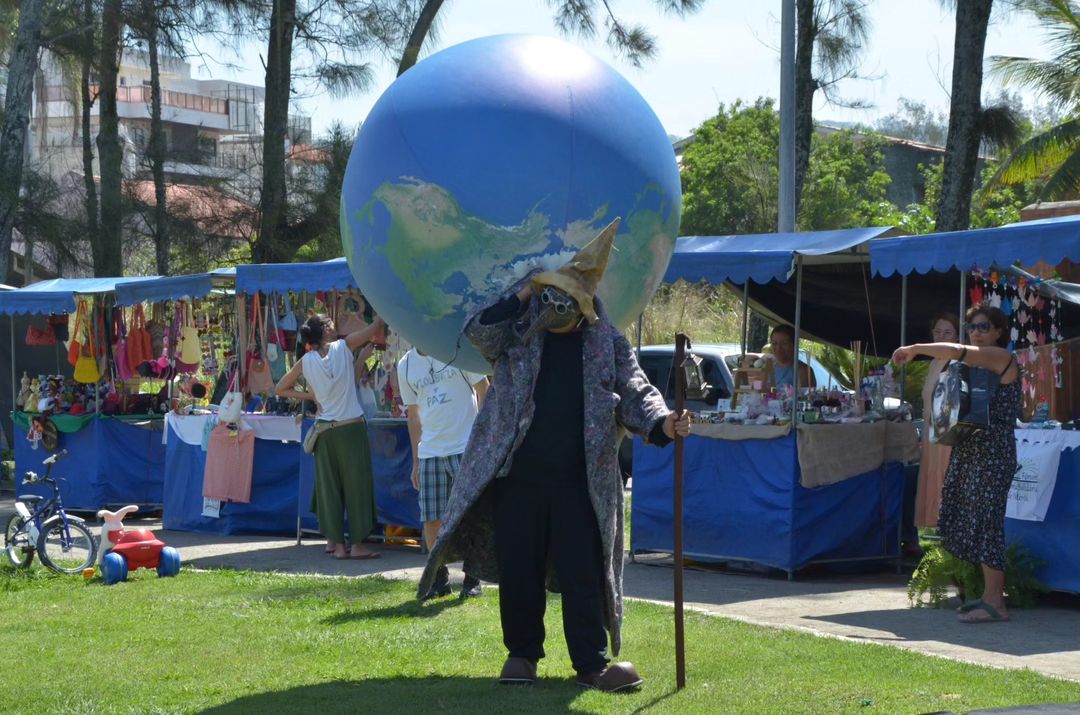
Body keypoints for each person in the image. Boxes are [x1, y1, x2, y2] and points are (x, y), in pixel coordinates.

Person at [416, 218, 690, 691]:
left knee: (584, 570)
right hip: (516, 476)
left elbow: (635, 389)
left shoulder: (606, 340)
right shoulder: (520, 332)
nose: (557, 305)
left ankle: (591, 663)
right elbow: (480, 332)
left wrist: (663, 422)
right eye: (551, 294)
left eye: (566, 297)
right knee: (519, 566)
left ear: (586, 308)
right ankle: (522, 656)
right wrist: (526, 292)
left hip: (580, 482)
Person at [892, 304, 1020, 624]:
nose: (976, 331)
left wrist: (915, 348)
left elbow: (957, 351)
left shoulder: (1000, 358)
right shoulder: (975, 364)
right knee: (969, 522)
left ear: (999, 331)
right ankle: (986, 595)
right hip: (969, 450)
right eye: (972, 327)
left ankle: (996, 603)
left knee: (987, 525)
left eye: (983, 326)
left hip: (993, 454)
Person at [276, 314, 386, 560]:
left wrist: (311, 397)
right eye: (330, 324)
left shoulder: (306, 361)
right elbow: (373, 328)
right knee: (357, 488)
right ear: (326, 331)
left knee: (330, 490)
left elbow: (280, 388)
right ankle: (357, 545)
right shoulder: (343, 346)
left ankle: (336, 546)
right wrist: (380, 312)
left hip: (324, 432)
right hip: (351, 429)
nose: (335, 326)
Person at [397, 347, 490, 600]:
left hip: (465, 447)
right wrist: (416, 461)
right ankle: (438, 578)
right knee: (431, 518)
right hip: (430, 452)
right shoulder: (404, 365)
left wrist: (482, 439)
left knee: (470, 515)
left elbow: (483, 389)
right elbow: (413, 417)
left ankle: (472, 578)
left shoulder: (456, 347)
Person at [915, 312, 960, 530]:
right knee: (933, 477)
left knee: (945, 478)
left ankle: (950, 529)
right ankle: (939, 529)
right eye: (938, 331)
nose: (941, 336)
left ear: (957, 337)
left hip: (946, 432)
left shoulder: (956, 361)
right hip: (931, 429)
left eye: (947, 332)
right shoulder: (934, 362)